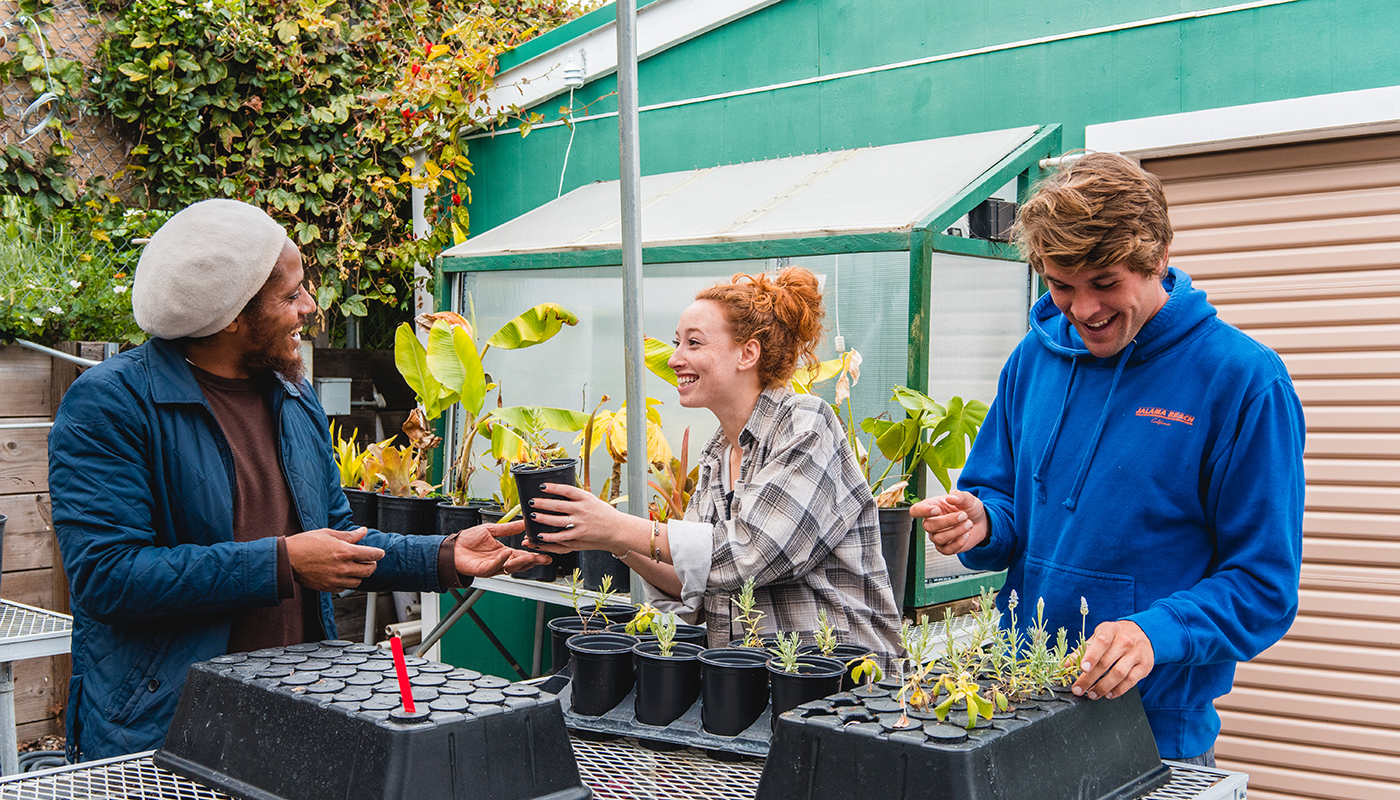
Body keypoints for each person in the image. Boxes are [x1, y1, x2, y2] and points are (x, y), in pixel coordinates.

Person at [48, 198, 548, 762]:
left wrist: (446, 556)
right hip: (168, 727)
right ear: (233, 315)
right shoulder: (113, 403)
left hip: (295, 708)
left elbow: (334, 536)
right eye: (291, 295)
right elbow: (107, 577)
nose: (309, 306)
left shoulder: (290, 393)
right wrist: (281, 563)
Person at [912, 153, 1304, 765]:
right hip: (1023, 707)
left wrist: (1155, 632)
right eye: (1060, 286)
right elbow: (1003, 502)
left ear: (1159, 258)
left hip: (1152, 735)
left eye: (1104, 283)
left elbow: (1263, 584)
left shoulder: (1241, 381)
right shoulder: (1033, 360)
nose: (1083, 310)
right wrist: (982, 523)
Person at [530, 268, 901, 662]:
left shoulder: (805, 424)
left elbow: (752, 554)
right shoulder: (717, 455)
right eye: (677, 343)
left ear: (747, 353)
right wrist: (612, 539)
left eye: (693, 343)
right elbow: (688, 581)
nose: (674, 359)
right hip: (755, 681)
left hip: (847, 686)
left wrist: (621, 525)